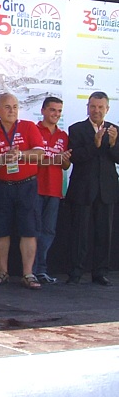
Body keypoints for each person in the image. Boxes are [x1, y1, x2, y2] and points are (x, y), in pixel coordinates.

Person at [0, 93, 45, 290]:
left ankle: (28, 273)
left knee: (29, 230)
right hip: (1, 186)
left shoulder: (29, 127)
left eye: (15, 106)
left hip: (26, 185)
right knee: (0, 230)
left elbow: (40, 153)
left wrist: (21, 154)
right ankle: (2, 271)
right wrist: (3, 159)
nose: (12, 110)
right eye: (7, 107)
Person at [66, 91, 119, 286]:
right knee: (80, 233)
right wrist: (95, 144)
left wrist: (112, 144)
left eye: (100, 107)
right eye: (93, 106)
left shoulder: (115, 130)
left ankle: (100, 272)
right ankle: (75, 272)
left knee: (104, 233)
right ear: (87, 107)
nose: (96, 110)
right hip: (83, 188)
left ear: (107, 109)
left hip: (107, 190)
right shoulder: (77, 129)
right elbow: (75, 157)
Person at [34, 97, 71, 284]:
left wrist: (62, 158)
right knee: (33, 230)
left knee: (49, 231)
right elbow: (31, 160)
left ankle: (41, 269)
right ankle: (30, 270)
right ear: (43, 110)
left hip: (55, 190)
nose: (55, 114)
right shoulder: (34, 130)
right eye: (52, 110)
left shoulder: (63, 135)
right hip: (35, 187)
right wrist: (53, 158)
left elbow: (65, 165)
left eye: (58, 111)